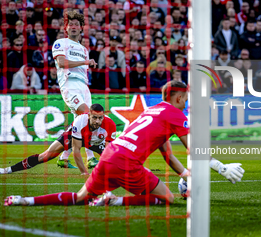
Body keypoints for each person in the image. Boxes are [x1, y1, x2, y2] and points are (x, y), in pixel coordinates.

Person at [4, 81, 245, 207]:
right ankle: (115, 200)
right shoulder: (175, 114)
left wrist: (185, 174)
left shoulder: (153, 112)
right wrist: (221, 168)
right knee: (168, 199)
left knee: (80, 198)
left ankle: (25, 200)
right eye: (186, 99)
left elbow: (168, 156)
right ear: (179, 98)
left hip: (109, 155)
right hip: (128, 163)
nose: (186, 103)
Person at [0, 104, 116, 175]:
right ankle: (8, 170)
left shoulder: (110, 124)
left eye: (100, 118)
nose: (97, 121)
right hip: (73, 137)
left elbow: (108, 152)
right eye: (94, 117)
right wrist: (84, 173)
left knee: (115, 159)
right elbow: (76, 150)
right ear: (89, 115)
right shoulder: (80, 121)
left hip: (95, 142)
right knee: (45, 157)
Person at [51, 10, 99, 169]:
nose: (73, 27)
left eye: (76, 24)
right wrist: (85, 62)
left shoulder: (84, 49)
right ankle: (91, 158)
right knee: (88, 117)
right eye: (70, 24)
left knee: (80, 124)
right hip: (70, 85)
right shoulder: (60, 43)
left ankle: (64, 157)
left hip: (84, 87)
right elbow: (63, 63)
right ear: (66, 28)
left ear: (81, 28)